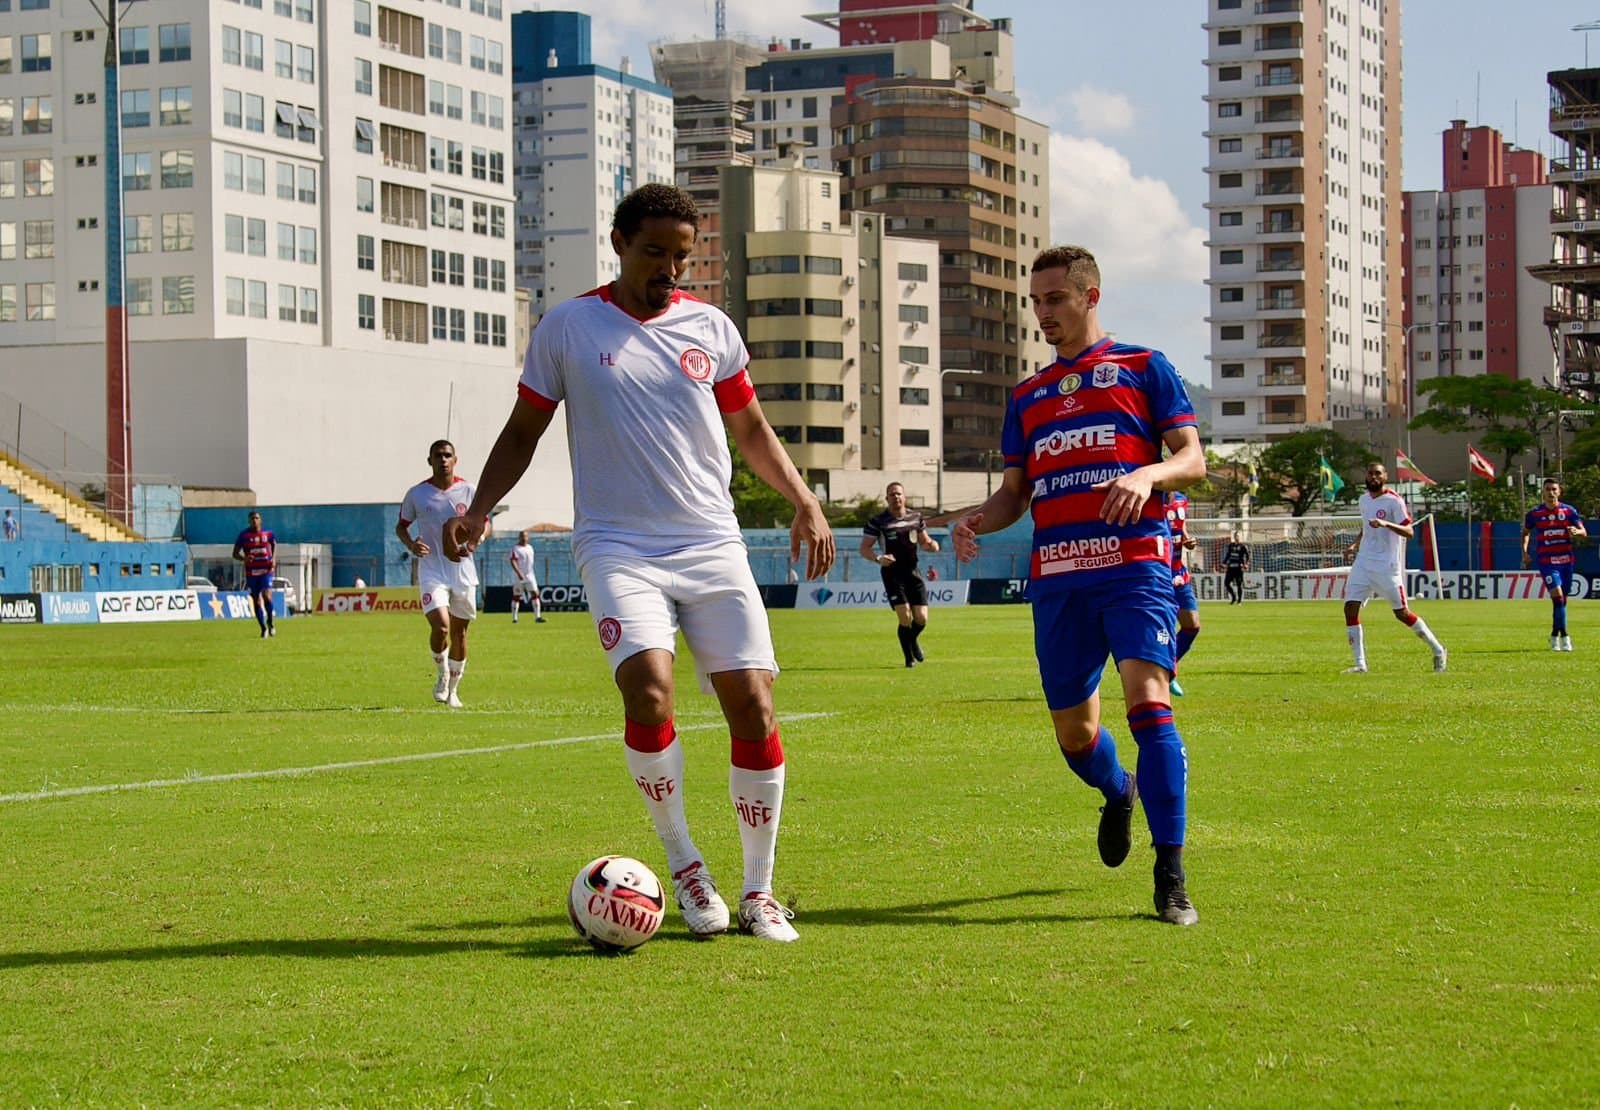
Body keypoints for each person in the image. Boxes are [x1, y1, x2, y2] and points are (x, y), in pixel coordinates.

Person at [442, 183, 835, 943]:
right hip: (618, 544)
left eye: (682, 257)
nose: (668, 270)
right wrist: (482, 506)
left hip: (712, 541)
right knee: (648, 690)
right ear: (619, 241)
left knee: (753, 705)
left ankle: (759, 892)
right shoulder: (568, 327)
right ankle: (685, 865)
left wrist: (804, 500)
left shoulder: (711, 328)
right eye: (655, 252)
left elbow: (750, 428)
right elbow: (524, 429)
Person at [951, 244, 1205, 927]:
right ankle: (1118, 790)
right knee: (1073, 736)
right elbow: (1014, 496)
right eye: (1035, 302)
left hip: (1134, 568)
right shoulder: (1029, 397)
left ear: (1091, 296)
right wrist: (978, 519)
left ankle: (1170, 873)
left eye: (1055, 299)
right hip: (1058, 579)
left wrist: (1146, 474)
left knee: (1150, 705)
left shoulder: (1146, 369)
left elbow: (1192, 458)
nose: (1043, 313)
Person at [397, 440, 487, 708]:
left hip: (462, 570)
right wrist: (411, 544)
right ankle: (442, 675)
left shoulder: (469, 491)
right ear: (430, 461)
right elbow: (401, 527)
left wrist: (473, 542)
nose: (443, 460)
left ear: (455, 460)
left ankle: (454, 691)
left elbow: (486, 525)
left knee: (459, 633)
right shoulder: (417, 494)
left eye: (448, 455)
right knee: (441, 625)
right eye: (438, 456)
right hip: (432, 569)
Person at [1342, 462, 1447, 674]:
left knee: (1402, 613)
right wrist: (1355, 544)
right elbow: (1366, 527)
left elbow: (1409, 531)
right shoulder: (1363, 500)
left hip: (1387, 567)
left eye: (1377, 474)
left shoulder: (1394, 501)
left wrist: (1386, 524)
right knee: (1349, 608)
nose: (1373, 477)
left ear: (1385, 476)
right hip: (1363, 563)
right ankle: (1360, 664)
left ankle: (1438, 649)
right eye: (1370, 473)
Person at [859, 481, 940, 667]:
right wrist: (879, 558)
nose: (896, 497)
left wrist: (931, 545)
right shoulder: (877, 522)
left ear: (904, 496)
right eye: (892, 494)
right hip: (892, 573)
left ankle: (912, 641)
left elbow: (924, 540)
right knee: (905, 616)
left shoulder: (916, 517)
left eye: (898, 494)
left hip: (913, 571)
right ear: (887, 499)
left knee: (921, 618)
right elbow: (864, 548)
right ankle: (908, 659)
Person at [1522, 477, 1587, 651]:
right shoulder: (1535, 513)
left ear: (1559, 492)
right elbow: (1526, 533)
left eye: (1554, 489)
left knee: (1561, 602)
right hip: (1547, 562)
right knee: (1557, 597)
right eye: (1548, 489)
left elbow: (1583, 531)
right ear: (1543, 492)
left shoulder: (1568, 511)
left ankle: (1553, 635)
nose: (1551, 493)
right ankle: (1565, 637)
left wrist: (1576, 531)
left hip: (1566, 561)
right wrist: (1525, 552)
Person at [1164, 490, 1200, 697]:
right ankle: (1163, 675)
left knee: (1192, 624)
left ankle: (1169, 669)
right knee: (1163, 628)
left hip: (1179, 573)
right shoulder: (1151, 499)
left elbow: (1181, 528)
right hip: (1158, 573)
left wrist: (1188, 540)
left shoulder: (1181, 499)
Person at [231, 510, 276, 638]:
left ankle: (271, 623)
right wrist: (244, 559)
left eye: (256, 518)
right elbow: (234, 553)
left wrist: (274, 558)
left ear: (260, 520)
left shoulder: (268, 534)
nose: (254, 520)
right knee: (256, 601)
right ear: (248, 521)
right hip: (252, 573)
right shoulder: (243, 536)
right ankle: (263, 628)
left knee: (267, 597)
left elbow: (274, 544)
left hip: (266, 571)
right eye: (252, 518)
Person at [508, 530, 545, 624]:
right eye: (522, 536)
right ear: (519, 537)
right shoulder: (515, 548)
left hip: (530, 575)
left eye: (525, 536)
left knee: (535, 594)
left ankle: (538, 617)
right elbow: (513, 561)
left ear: (528, 537)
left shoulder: (530, 548)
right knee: (516, 596)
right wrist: (518, 572)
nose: (524, 538)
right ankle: (514, 618)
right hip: (518, 576)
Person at [1221, 531, 1250, 605]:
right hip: (1231, 567)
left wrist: (1246, 564)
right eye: (1235, 536)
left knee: (1239, 584)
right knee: (1226, 583)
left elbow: (1248, 556)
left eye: (1238, 536)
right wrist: (1224, 563)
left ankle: (1239, 601)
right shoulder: (1231, 545)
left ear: (1240, 537)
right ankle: (1233, 597)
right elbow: (1228, 555)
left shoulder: (1243, 546)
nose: (1237, 537)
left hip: (1238, 568)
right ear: (1234, 537)